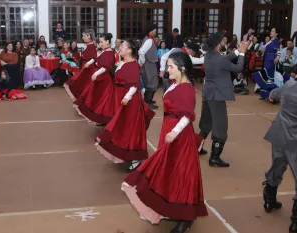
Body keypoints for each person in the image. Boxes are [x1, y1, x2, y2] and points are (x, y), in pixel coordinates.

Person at [122, 51, 207, 233]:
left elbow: (187, 116)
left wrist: (174, 132)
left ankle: (186, 217)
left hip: (179, 135)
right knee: (169, 169)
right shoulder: (176, 84)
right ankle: (171, 206)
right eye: (168, 66)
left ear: (182, 68)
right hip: (170, 130)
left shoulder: (186, 89)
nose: (167, 70)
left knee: (182, 172)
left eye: (171, 67)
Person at [94, 39, 156, 172]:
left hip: (130, 102)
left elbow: (134, 85)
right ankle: (125, 152)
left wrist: (127, 97)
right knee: (123, 126)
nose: (120, 47)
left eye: (123, 46)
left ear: (129, 50)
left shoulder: (132, 65)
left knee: (130, 128)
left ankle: (135, 158)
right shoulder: (123, 62)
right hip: (121, 98)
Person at [262, 64, 297, 233]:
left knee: (277, 166)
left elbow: (273, 94)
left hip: (279, 133)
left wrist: (274, 97)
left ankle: (269, 198)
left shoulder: (289, 84)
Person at [198, 31, 248, 167]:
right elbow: (238, 67)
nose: (224, 42)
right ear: (218, 44)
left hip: (208, 93)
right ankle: (214, 157)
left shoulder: (208, 55)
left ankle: (197, 147)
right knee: (220, 127)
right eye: (222, 41)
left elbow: (225, 59)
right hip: (217, 95)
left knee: (206, 123)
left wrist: (238, 51)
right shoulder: (219, 59)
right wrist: (242, 53)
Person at [73, 33, 116, 125]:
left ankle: (105, 120)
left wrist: (96, 73)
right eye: (99, 42)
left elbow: (106, 67)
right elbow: (96, 59)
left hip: (104, 80)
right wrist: (90, 63)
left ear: (108, 42)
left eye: (101, 42)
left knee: (103, 101)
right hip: (100, 79)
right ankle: (101, 119)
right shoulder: (105, 51)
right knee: (99, 100)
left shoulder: (109, 53)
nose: (100, 44)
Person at [64, 29, 97, 101]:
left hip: (88, 69)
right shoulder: (89, 45)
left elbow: (94, 58)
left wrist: (88, 63)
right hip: (86, 68)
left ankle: (84, 102)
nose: (83, 37)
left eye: (84, 36)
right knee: (83, 85)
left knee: (83, 85)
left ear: (89, 36)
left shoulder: (91, 46)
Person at [139, 24, 159, 109]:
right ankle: (147, 102)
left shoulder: (150, 39)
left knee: (153, 82)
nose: (156, 31)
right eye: (155, 29)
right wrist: (143, 62)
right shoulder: (149, 41)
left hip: (150, 64)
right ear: (151, 31)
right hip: (148, 64)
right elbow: (141, 52)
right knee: (149, 83)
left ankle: (149, 99)